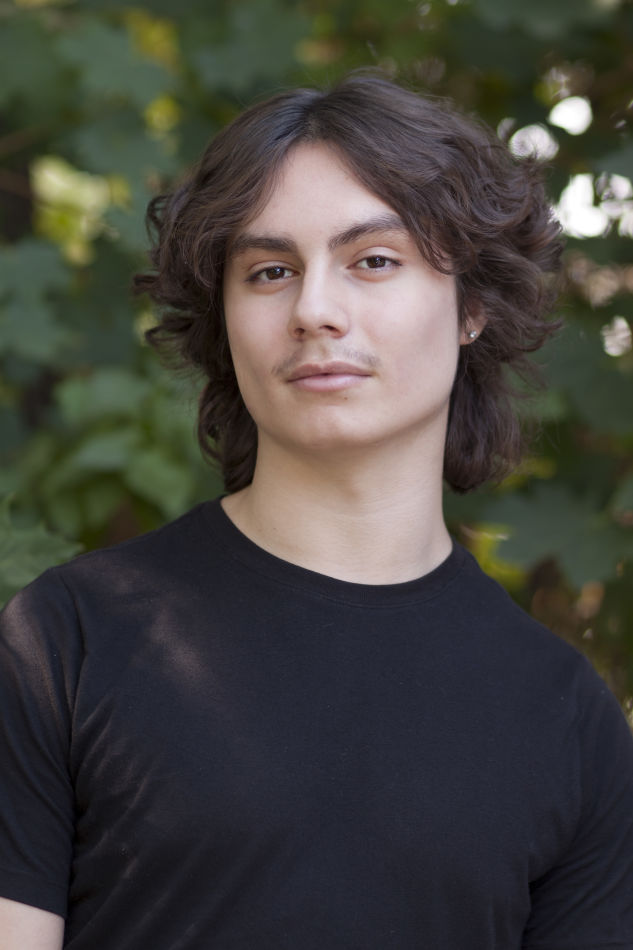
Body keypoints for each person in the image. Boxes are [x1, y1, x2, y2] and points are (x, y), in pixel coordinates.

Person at [1, 73, 632, 950]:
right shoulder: (65, 641)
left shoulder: (567, 721)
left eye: (373, 260)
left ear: (473, 307)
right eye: (270, 271)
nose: (314, 311)